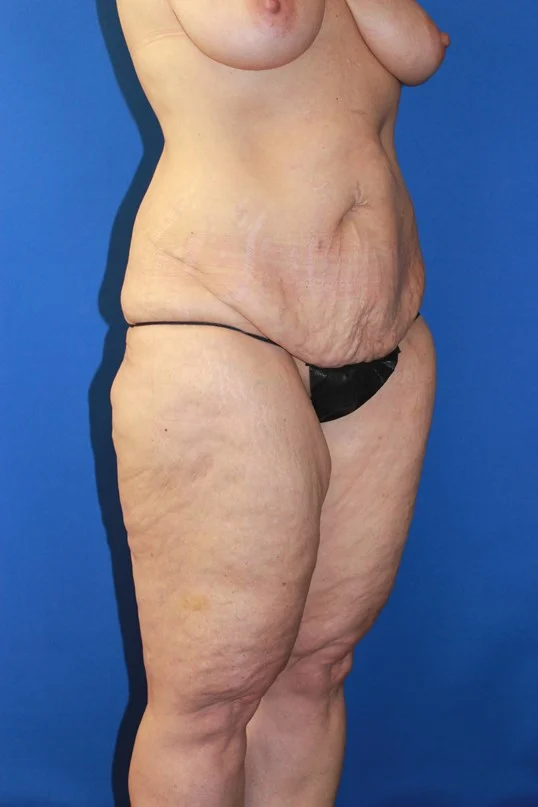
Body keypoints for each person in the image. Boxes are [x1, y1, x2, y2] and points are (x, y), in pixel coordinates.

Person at [110, 0, 449, 804]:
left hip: (385, 342)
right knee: (208, 704)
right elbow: (262, 19)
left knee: (317, 667)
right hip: (224, 333)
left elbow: (421, 48)